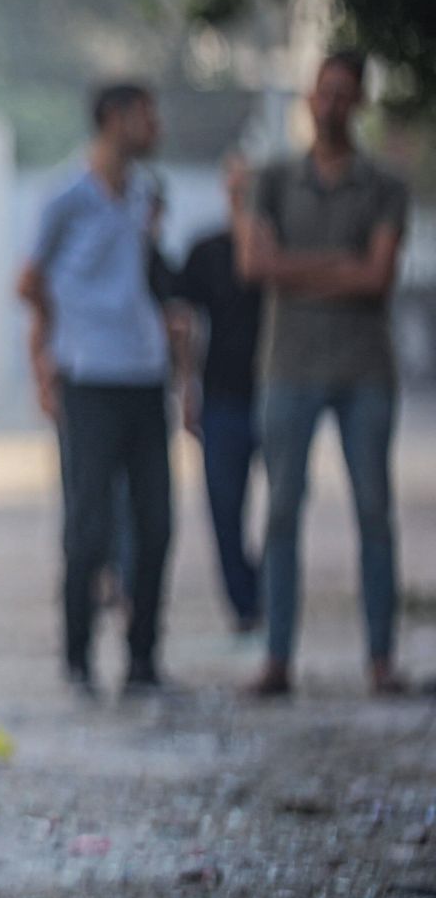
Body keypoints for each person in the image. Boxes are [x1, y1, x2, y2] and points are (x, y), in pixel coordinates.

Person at [233, 52, 410, 697]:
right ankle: (277, 658)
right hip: (288, 367)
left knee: (373, 511)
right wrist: (342, 266)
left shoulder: (385, 184)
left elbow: (379, 277)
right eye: (323, 93)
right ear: (309, 100)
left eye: (344, 95)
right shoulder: (273, 179)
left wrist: (296, 267)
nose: (332, 105)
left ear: (358, 101)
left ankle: (381, 659)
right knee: (280, 511)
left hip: (365, 369)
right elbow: (254, 265)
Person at [16, 84, 176, 695]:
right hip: (87, 378)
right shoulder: (65, 196)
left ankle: (143, 660)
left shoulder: (144, 193)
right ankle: (78, 658)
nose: (154, 124)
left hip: (145, 375)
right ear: (114, 119)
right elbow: (29, 281)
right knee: (88, 526)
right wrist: (47, 355)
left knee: (155, 522)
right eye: (146, 113)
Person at [169, 161, 264, 634]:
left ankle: (269, 586)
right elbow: (185, 322)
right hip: (223, 396)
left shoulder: (279, 254)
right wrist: (187, 388)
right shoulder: (206, 250)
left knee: (285, 503)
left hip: (277, 391)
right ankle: (245, 602)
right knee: (224, 509)